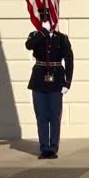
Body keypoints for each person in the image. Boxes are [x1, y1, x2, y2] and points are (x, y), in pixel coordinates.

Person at [25, 8, 74, 160]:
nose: (45, 20)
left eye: (48, 18)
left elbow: (69, 60)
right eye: (43, 18)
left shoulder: (62, 38)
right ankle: (44, 148)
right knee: (41, 115)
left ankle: (53, 147)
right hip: (39, 80)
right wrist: (43, 33)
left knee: (54, 115)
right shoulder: (36, 35)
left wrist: (67, 82)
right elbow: (29, 45)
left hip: (56, 79)